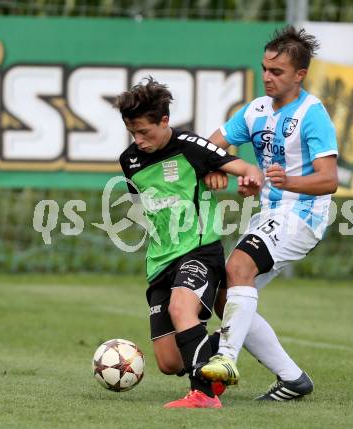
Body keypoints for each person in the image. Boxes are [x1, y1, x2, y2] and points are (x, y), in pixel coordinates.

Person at [199, 25, 339, 401]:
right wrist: (219, 168)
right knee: (224, 296)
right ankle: (293, 379)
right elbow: (213, 145)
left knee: (238, 267)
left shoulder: (312, 115)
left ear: (299, 74)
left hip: (304, 215)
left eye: (277, 72)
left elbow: (329, 180)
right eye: (264, 68)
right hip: (271, 215)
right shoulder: (256, 110)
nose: (267, 77)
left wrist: (286, 181)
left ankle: (224, 357)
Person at [116, 77, 263, 409]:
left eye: (144, 132)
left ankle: (204, 394)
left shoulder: (190, 146)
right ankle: (224, 344)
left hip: (199, 251)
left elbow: (243, 166)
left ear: (164, 121)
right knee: (169, 362)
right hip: (159, 262)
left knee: (181, 307)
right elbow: (148, 207)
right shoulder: (130, 161)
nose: (138, 140)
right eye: (132, 133)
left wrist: (248, 178)